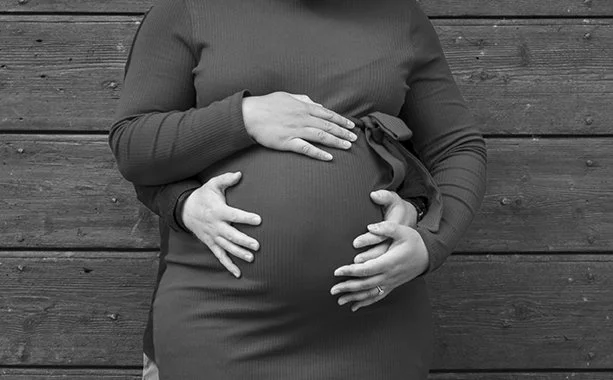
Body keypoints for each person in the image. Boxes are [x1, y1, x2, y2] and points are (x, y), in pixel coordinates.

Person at [109, 0, 487, 379]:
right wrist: (243, 118)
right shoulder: (188, 10)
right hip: (220, 320)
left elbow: (456, 147)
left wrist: (429, 240)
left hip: (375, 326)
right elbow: (134, 145)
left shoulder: (398, 16)